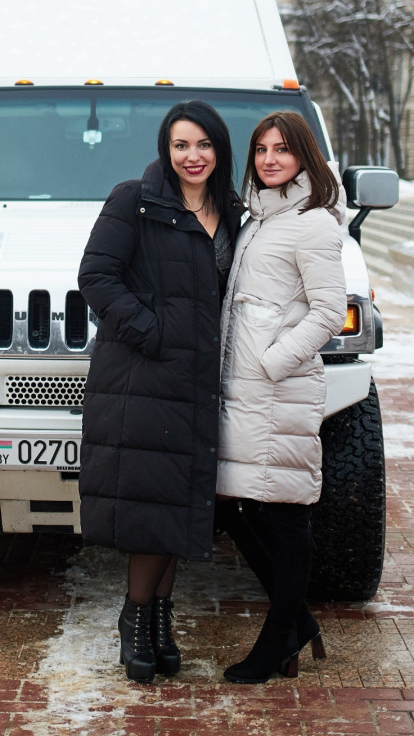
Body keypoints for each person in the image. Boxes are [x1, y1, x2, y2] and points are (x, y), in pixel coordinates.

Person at [77, 100, 242, 683]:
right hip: (141, 380)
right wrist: (153, 332)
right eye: (180, 145)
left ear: (219, 148)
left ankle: (159, 621)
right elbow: (95, 277)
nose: (191, 156)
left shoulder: (233, 211)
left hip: (196, 383)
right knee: (153, 504)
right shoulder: (135, 199)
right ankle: (136, 620)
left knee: (176, 503)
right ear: (164, 150)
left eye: (202, 144)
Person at [216, 111, 347, 684]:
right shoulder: (259, 218)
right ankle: (298, 623)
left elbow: (327, 313)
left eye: (283, 150)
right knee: (233, 505)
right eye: (262, 150)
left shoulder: (313, 222)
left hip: (277, 390)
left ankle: (277, 642)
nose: (270, 159)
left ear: (305, 157)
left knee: (285, 515)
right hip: (244, 391)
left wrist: (271, 361)